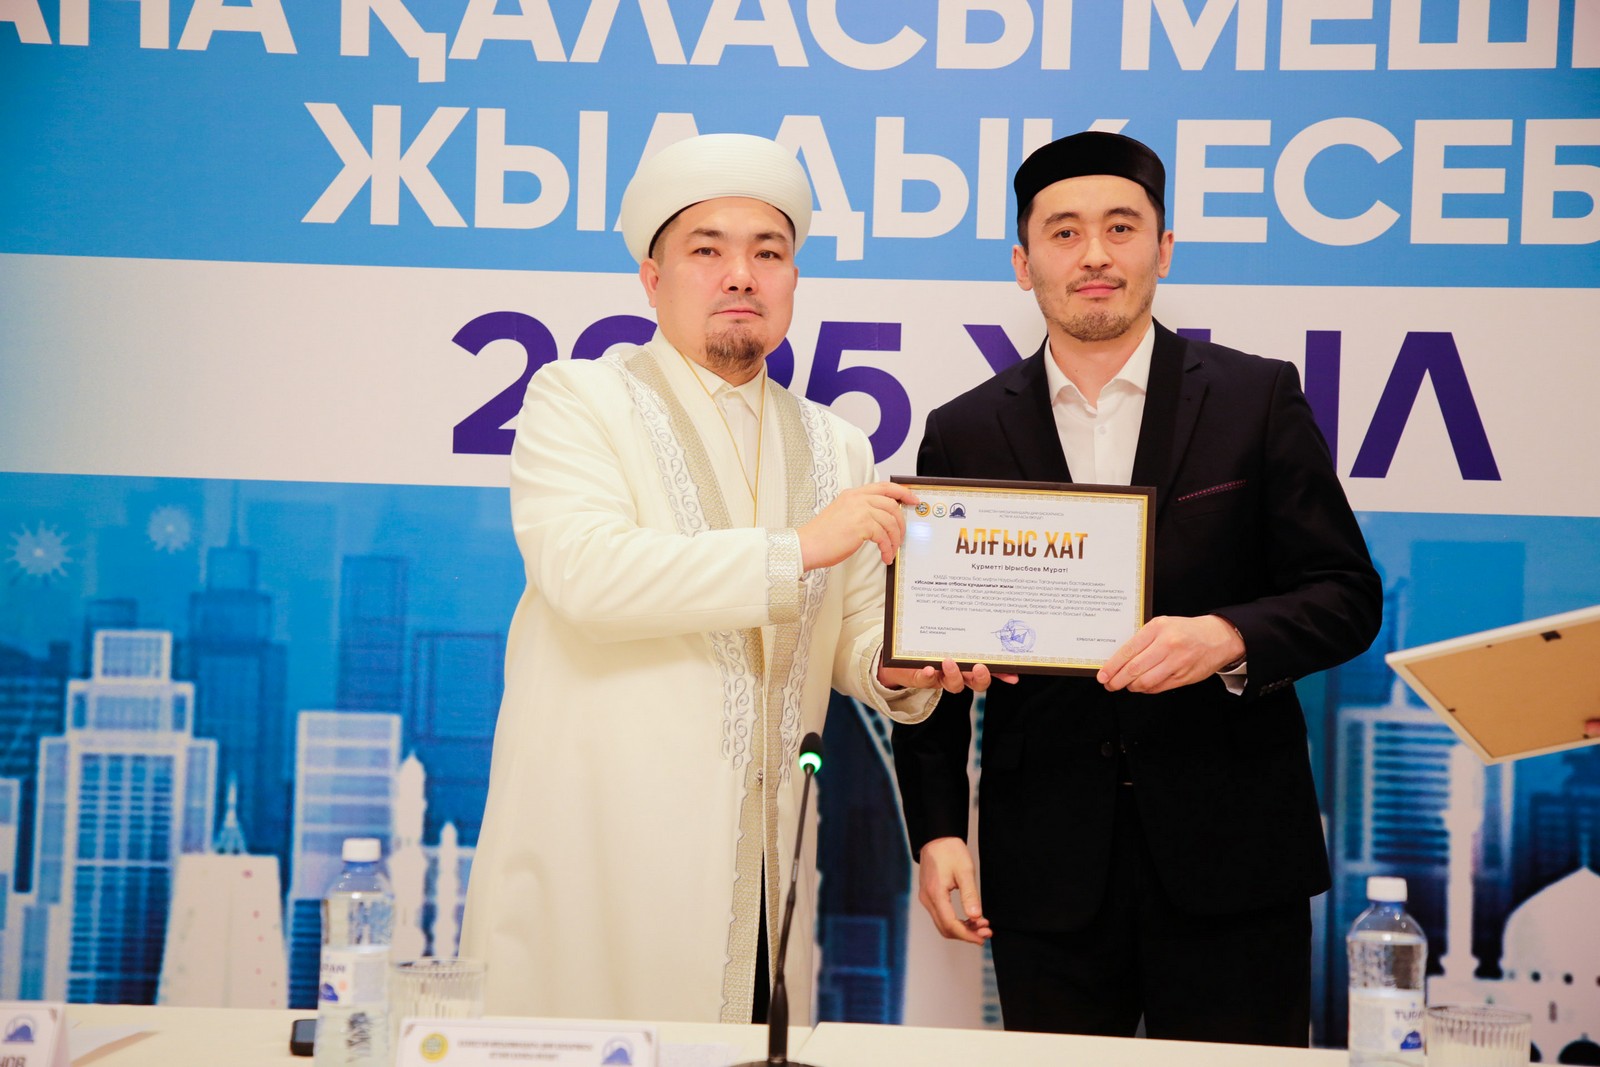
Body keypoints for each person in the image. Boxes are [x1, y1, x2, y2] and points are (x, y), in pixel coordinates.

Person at [460, 133, 996, 1026]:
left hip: (764, 859)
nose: (741, 275)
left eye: (768, 254)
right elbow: (586, 574)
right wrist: (799, 547)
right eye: (707, 250)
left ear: (793, 279)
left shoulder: (836, 443)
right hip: (599, 849)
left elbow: (854, 633)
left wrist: (896, 669)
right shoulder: (578, 399)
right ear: (652, 277)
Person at [891, 131, 1382, 1045]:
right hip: (1048, 868)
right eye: (1064, 232)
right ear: (1023, 263)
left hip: (1236, 854)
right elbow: (934, 648)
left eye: (1121, 228)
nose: (1095, 255)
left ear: (1163, 249)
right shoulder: (964, 431)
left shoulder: (1255, 399)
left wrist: (1227, 637)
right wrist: (938, 830)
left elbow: (1346, 593)